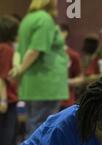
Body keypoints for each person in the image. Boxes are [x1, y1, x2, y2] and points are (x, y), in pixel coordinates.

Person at [10, 0, 69, 137]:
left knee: (34, 123)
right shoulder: (45, 19)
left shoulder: (27, 19)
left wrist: (19, 69)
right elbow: (35, 49)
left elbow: (20, 50)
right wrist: (20, 69)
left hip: (33, 83)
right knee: (44, 126)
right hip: (46, 83)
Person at [0, 15, 20, 145]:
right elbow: (2, 76)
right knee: (6, 134)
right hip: (7, 99)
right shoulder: (7, 49)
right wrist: (3, 99)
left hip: (6, 97)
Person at [59, 24, 83, 110]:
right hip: (47, 100)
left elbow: (80, 78)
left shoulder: (73, 55)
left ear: (64, 33)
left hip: (66, 101)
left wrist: (66, 82)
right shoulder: (44, 55)